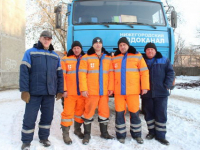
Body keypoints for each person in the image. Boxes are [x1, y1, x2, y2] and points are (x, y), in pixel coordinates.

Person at [19, 31, 63, 150]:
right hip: (34, 93)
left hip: (49, 93)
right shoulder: (30, 53)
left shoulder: (55, 56)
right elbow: (24, 73)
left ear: (51, 40)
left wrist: (60, 90)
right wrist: (24, 90)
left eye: (49, 38)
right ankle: (26, 141)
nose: (46, 40)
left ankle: (44, 138)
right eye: (44, 38)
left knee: (47, 117)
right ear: (40, 38)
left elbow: (59, 75)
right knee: (30, 116)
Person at [112, 37, 149, 144]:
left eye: (124, 45)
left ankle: (137, 135)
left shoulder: (137, 56)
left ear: (128, 45)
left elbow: (144, 72)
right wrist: (111, 88)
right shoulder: (115, 58)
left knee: (135, 113)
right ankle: (121, 135)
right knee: (119, 114)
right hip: (119, 91)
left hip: (132, 91)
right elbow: (111, 74)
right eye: (120, 45)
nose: (122, 47)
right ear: (118, 47)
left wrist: (145, 87)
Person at [79, 37, 114, 145]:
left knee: (104, 112)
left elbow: (111, 74)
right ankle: (87, 135)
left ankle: (104, 133)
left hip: (104, 92)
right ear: (93, 45)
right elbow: (82, 74)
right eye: (96, 43)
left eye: (99, 43)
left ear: (102, 45)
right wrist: (84, 89)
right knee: (88, 113)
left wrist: (111, 88)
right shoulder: (86, 57)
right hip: (91, 91)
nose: (98, 45)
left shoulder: (108, 57)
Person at [141, 42, 174, 145]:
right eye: (148, 50)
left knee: (160, 114)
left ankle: (161, 136)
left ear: (155, 51)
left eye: (152, 49)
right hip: (147, 93)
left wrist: (167, 85)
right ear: (145, 51)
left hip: (161, 93)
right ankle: (151, 132)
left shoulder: (164, 60)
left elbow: (170, 72)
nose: (150, 51)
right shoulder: (142, 60)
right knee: (148, 114)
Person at [60, 41, 85, 145]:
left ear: (81, 49)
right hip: (69, 93)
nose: (76, 50)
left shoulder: (85, 59)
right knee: (67, 114)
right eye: (74, 48)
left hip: (81, 94)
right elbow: (62, 77)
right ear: (72, 49)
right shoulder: (65, 59)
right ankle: (65, 134)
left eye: (78, 48)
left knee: (79, 114)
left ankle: (77, 130)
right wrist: (64, 90)